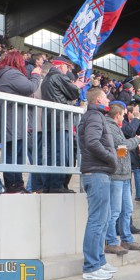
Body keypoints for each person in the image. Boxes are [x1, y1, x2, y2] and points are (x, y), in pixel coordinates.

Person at [78, 87, 118, 280]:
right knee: (97, 221)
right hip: (96, 173)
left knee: (103, 219)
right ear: (96, 100)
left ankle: (99, 261)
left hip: (99, 172)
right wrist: (111, 157)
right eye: (104, 97)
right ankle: (91, 267)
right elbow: (93, 142)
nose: (107, 100)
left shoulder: (95, 116)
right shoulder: (94, 116)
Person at [0, 51, 41, 193]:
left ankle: (16, 184)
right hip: (12, 120)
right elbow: (30, 88)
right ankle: (13, 184)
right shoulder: (12, 74)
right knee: (14, 152)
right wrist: (36, 75)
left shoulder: (5, 74)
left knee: (15, 152)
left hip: (11, 119)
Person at [105, 103, 140, 254]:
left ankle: (126, 239)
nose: (123, 117)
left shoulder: (117, 128)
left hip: (124, 175)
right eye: (122, 115)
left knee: (127, 209)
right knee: (115, 210)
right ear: (117, 115)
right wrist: (137, 139)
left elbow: (121, 149)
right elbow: (123, 144)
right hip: (116, 176)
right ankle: (111, 241)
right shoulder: (110, 127)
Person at [40, 56, 83, 193]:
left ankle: (50, 185)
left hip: (51, 121)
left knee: (52, 155)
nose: (68, 70)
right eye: (67, 67)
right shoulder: (58, 76)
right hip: (60, 121)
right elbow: (74, 92)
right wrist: (78, 85)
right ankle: (58, 185)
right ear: (61, 66)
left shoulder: (47, 79)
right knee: (61, 154)